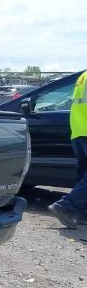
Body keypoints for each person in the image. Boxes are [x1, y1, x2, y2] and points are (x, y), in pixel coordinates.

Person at [49, 70, 87, 228]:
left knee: (84, 173)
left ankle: (82, 213)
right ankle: (67, 206)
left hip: (79, 130)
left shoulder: (83, 76)